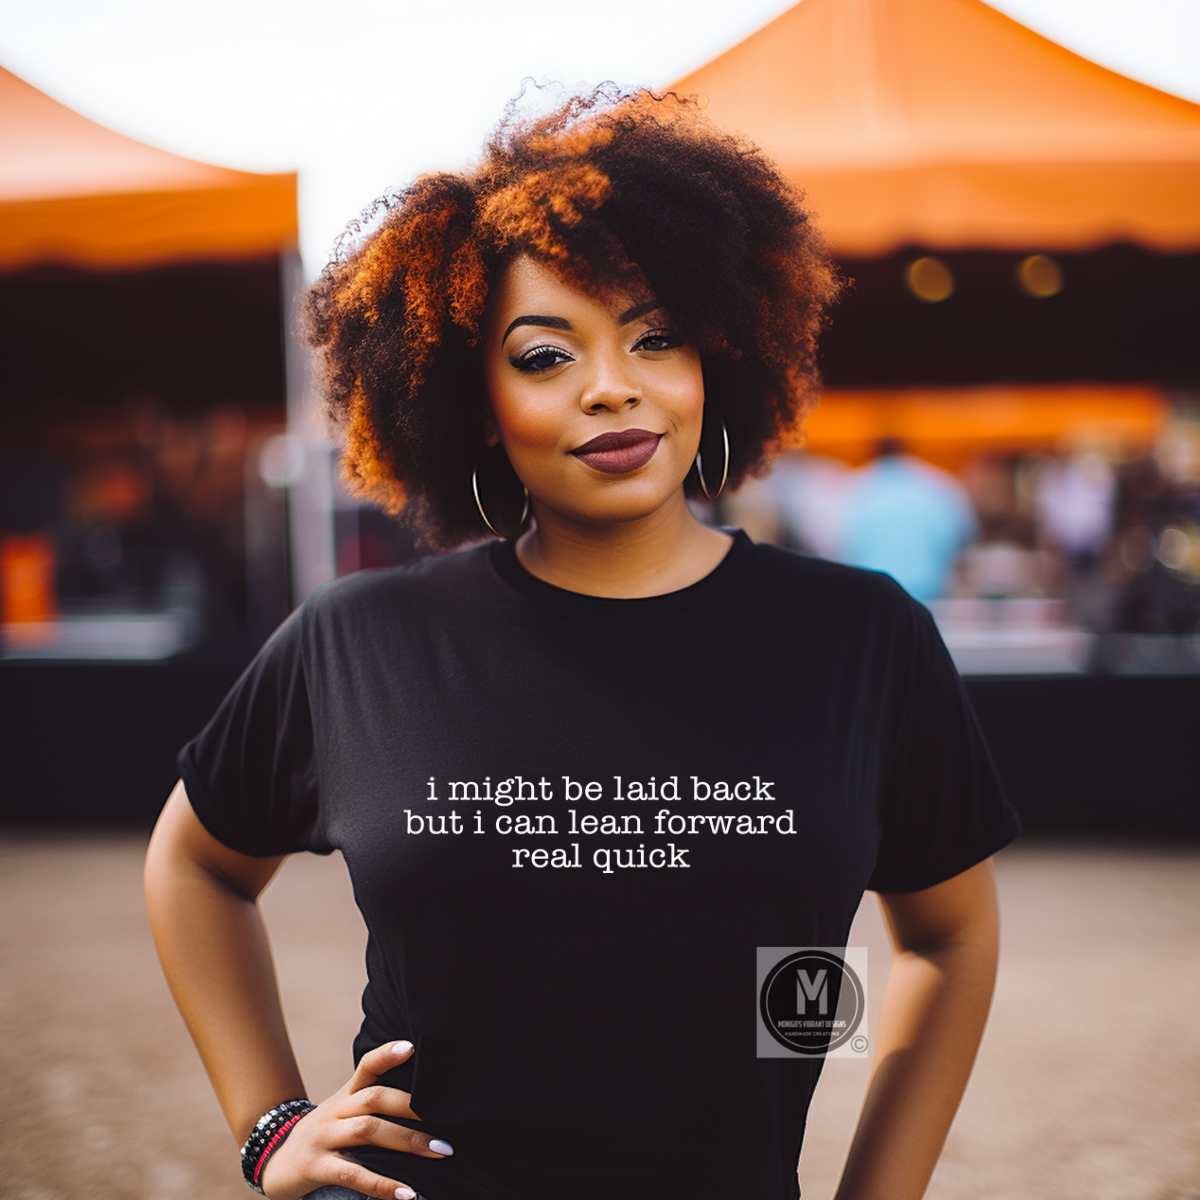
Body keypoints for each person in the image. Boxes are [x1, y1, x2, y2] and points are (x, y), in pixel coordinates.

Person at [144, 86, 1020, 1200]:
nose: (614, 387)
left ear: (718, 360)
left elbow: (949, 938)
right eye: (547, 355)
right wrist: (270, 1125)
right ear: (471, 397)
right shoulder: (359, 640)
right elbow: (195, 864)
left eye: (657, 338)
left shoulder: (860, 638)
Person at [839, 438, 978, 604]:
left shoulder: (852, 487)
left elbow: (835, 545)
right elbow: (965, 539)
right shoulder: (941, 485)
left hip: (868, 596)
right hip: (930, 595)